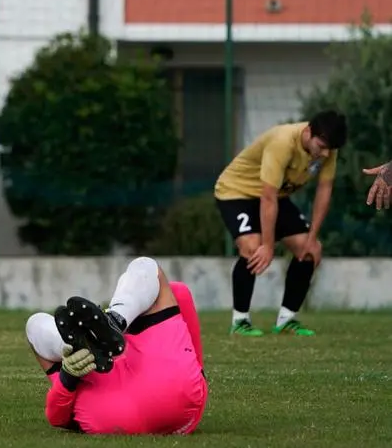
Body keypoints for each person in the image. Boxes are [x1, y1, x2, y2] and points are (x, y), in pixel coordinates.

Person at [25, 257, 208, 436]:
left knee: (35, 325)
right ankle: (116, 318)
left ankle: (75, 343)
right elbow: (179, 294)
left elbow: (57, 417)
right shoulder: (170, 300)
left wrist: (68, 377)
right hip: (178, 399)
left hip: (107, 412)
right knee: (144, 267)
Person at [213, 110, 348, 337]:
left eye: (330, 149)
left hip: (276, 198)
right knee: (253, 247)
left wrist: (312, 237)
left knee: (311, 250)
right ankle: (240, 321)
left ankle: (286, 320)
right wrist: (268, 245)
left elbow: (324, 191)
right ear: (308, 132)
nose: (324, 153)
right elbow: (267, 197)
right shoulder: (282, 142)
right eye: (322, 145)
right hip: (236, 192)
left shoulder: (327, 150)